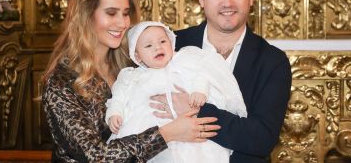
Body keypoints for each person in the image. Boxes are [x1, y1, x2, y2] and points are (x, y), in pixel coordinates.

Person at [42, 0, 220, 162]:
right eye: (111, 13)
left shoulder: (132, 64)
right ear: (86, 14)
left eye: (126, 13)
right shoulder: (61, 81)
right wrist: (166, 134)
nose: (122, 23)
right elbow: (96, 157)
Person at [150, 0, 292, 163]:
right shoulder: (170, 45)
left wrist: (197, 111)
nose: (228, 2)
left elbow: (261, 138)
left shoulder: (272, 61)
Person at [106, 21, 247, 163]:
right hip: (150, 128)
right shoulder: (132, 76)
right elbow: (119, 96)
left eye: (162, 41)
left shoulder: (182, 62)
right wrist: (115, 113)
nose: (157, 47)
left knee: (200, 153)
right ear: (137, 56)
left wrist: (199, 91)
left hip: (188, 125)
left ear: (171, 43)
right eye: (148, 46)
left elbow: (201, 75)